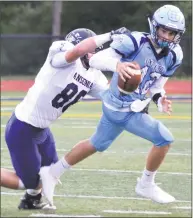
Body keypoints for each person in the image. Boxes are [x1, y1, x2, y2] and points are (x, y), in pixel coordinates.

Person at [39, 4, 186, 206]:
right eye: (164, 30)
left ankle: (52, 173)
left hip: (122, 105)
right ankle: (146, 183)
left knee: (97, 144)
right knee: (164, 139)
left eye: (172, 33)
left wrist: (160, 98)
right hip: (121, 107)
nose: (167, 36)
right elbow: (96, 59)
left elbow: (157, 84)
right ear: (154, 26)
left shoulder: (174, 54)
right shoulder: (134, 41)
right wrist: (117, 65)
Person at [1, 27, 133, 209]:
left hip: (42, 128)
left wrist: (133, 91)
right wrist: (111, 35)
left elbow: (110, 97)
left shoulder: (94, 75)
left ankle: (30, 201)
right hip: (23, 127)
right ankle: (31, 192)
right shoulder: (61, 53)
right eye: (92, 48)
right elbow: (77, 51)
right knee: (28, 182)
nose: (95, 53)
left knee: (51, 172)